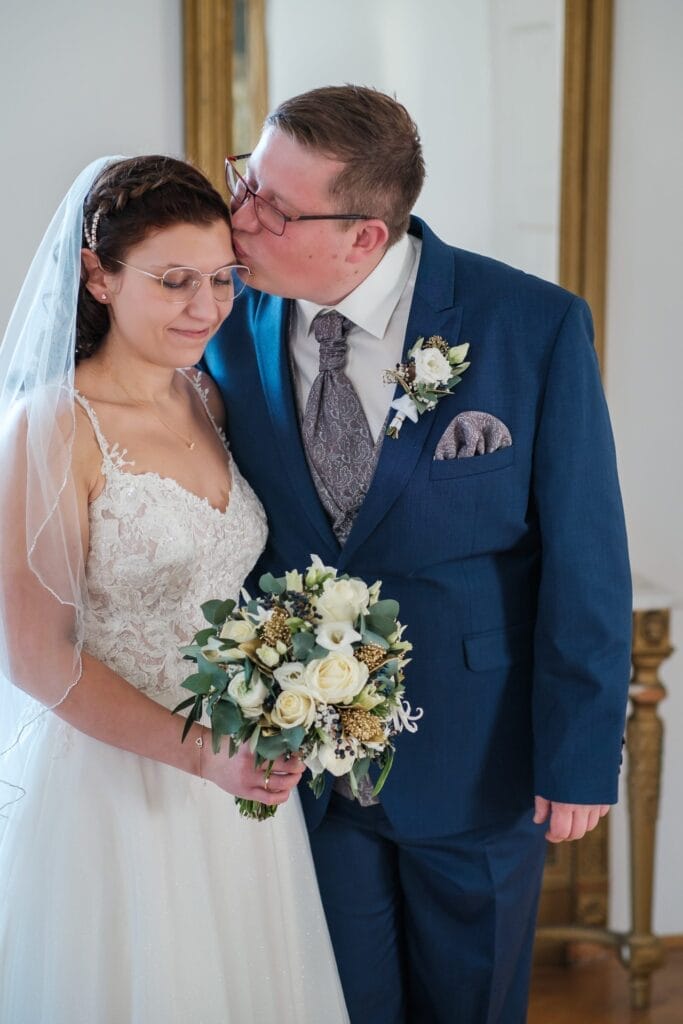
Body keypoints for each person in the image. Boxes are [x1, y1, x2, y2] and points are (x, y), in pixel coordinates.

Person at [203, 85, 632, 1024]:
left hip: (479, 760)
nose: (241, 218)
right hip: (302, 765)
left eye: (275, 207)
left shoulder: (532, 325)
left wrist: (580, 756)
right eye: (247, 181)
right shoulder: (221, 319)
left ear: (363, 235)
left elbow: (586, 554)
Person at [0, 155, 349, 1023]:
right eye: (175, 281)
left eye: (223, 280)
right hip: (114, 790)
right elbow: (34, 657)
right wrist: (199, 752)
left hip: (232, 789)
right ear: (98, 277)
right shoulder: (51, 428)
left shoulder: (206, 397)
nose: (207, 308)